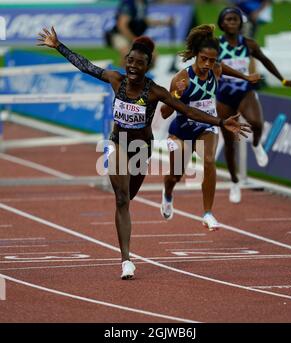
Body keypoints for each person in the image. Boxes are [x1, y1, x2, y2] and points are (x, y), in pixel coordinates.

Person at [37, 27, 251, 279]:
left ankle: (137, 215)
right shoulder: (116, 80)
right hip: (118, 143)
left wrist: (220, 122)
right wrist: (59, 45)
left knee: (129, 197)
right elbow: (86, 66)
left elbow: (188, 111)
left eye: (139, 63)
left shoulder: (155, 91)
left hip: (141, 149)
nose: (133, 66)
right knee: (120, 199)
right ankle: (126, 260)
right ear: (125, 62)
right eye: (130, 61)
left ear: (147, 66)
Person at [160, 24, 260, 230]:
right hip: (182, 128)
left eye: (212, 60)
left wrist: (246, 77)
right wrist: (176, 95)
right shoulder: (181, 79)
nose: (207, 64)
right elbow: (164, 113)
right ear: (196, 55)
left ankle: (207, 213)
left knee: (208, 161)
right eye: (203, 59)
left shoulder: (216, 68)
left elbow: (226, 69)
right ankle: (168, 194)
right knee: (175, 175)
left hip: (207, 126)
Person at [216, 7, 291, 204]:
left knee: (257, 123)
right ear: (222, 24)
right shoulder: (215, 46)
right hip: (224, 96)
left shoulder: (249, 44)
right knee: (229, 142)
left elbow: (266, 61)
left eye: (236, 19)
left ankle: (256, 144)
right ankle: (235, 182)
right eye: (228, 19)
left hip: (245, 92)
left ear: (241, 23)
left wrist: (283, 80)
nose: (233, 22)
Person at [106, 0, 173, 68]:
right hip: (120, 34)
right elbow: (122, 26)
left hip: (135, 35)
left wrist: (164, 22)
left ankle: (144, 76)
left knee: (152, 56)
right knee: (127, 54)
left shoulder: (144, 3)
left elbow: (144, 20)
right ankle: (121, 75)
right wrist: (135, 39)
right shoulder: (128, 3)